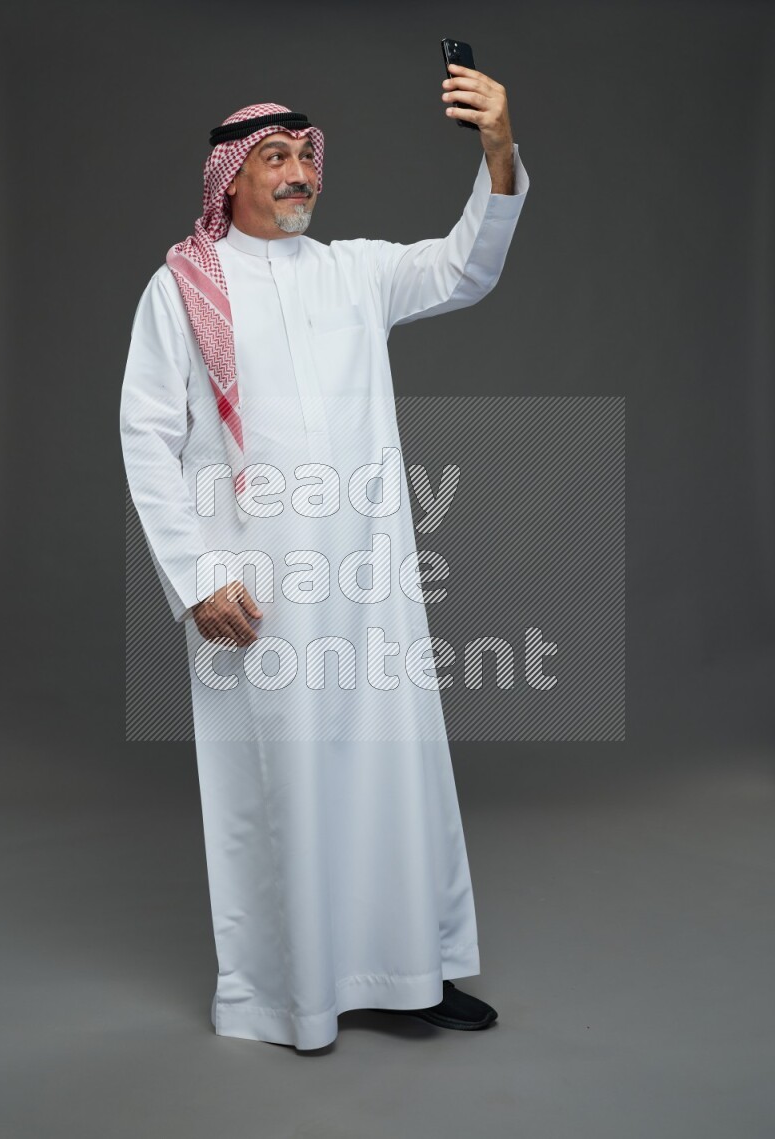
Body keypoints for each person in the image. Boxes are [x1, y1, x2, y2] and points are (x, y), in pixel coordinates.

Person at [119, 62, 530, 1051]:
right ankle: (288, 995)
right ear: (230, 179)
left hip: (368, 584)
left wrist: (497, 145)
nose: (298, 172)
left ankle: (408, 974)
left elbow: (465, 266)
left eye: (306, 155)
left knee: (391, 777)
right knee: (285, 792)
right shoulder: (182, 288)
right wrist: (195, 579)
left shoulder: (355, 271)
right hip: (252, 592)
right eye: (274, 158)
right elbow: (145, 434)